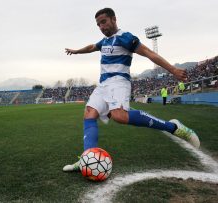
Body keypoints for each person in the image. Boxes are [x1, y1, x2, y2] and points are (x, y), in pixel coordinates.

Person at [63, 8, 200, 172]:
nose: (101, 26)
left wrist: (173, 70)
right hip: (103, 84)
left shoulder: (126, 38)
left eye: (104, 22)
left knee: (119, 116)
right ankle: (87, 158)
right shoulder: (104, 41)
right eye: (98, 24)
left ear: (114, 19)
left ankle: (174, 128)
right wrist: (77, 51)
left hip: (119, 81)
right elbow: (92, 46)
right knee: (89, 113)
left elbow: (149, 52)